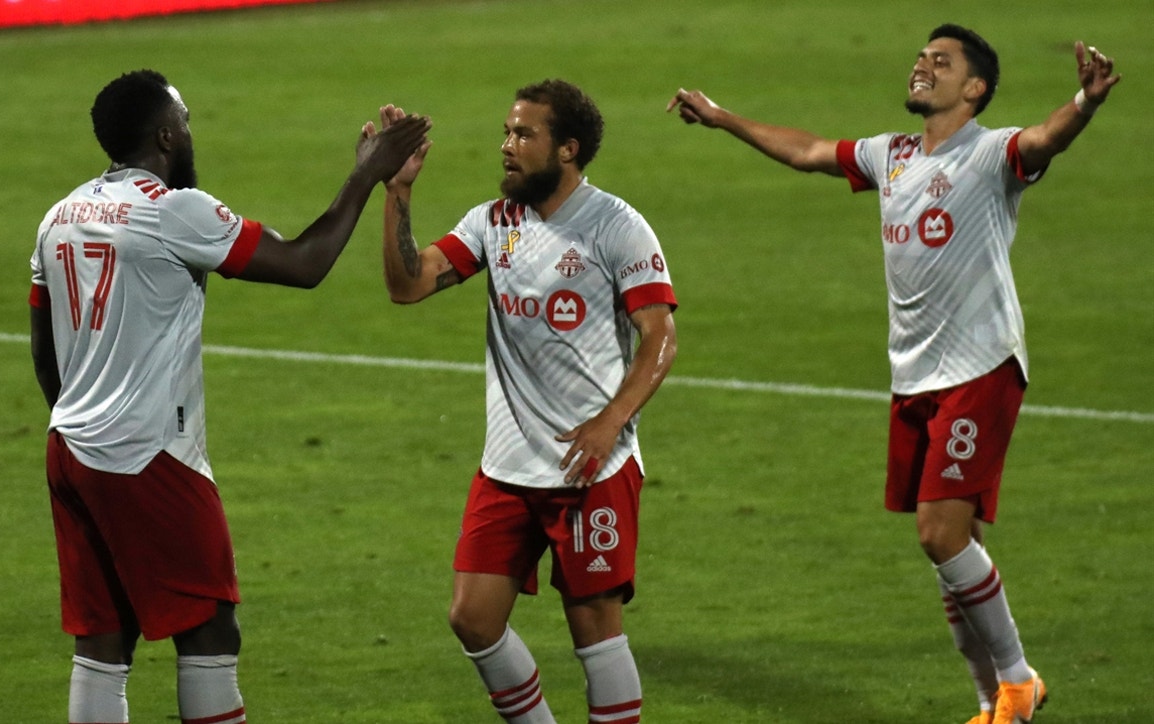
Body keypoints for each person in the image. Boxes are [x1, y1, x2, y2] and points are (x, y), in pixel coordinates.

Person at [668, 24, 1120, 724]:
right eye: (921, 57)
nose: (922, 67)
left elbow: (1042, 139)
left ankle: (1019, 681)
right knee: (956, 549)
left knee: (940, 535)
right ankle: (988, 703)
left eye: (942, 63)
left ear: (974, 89)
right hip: (914, 376)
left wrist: (1083, 104)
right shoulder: (892, 155)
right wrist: (724, 118)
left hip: (981, 365)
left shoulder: (990, 153)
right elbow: (811, 152)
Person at [29, 69, 429, 724]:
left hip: (69, 448)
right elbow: (306, 263)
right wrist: (368, 173)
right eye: (185, 121)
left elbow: (44, 350)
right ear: (164, 134)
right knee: (210, 634)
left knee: (103, 641)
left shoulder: (60, 214)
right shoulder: (173, 210)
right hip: (149, 456)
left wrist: (80, 422)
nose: (190, 132)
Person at [372, 80, 677, 723]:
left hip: (589, 468)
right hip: (507, 467)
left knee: (595, 627)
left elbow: (660, 337)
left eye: (524, 134)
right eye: (506, 133)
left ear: (567, 149)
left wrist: (610, 423)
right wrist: (397, 191)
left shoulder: (616, 226)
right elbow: (408, 285)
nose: (507, 147)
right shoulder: (493, 222)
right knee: (473, 619)